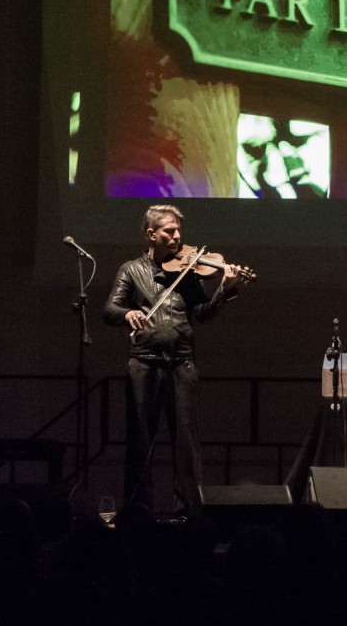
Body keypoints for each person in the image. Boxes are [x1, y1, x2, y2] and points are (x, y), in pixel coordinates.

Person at [103, 204, 246, 519]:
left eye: (179, 231)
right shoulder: (130, 269)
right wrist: (128, 312)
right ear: (151, 234)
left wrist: (225, 288)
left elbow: (203, 315)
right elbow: (109, 309)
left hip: (182, 364)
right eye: (169, 231)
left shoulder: (189, 271)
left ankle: (188, 512)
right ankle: (139, 512)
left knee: (186, 442)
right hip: (144, 364)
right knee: (141, 441)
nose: (177, 237)